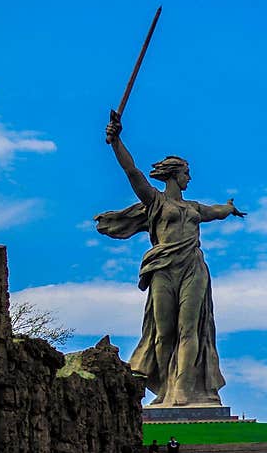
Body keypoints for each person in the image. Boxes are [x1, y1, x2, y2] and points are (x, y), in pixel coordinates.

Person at [96, 112, 245, 407]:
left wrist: (229, 208)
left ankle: (183, 390)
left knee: (189, 329)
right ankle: (165, 389)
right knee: (164, 334)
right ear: (174, 174)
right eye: (187, 172)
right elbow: (132, 172)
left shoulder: (194, 208)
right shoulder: (155, 201)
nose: (189, 177)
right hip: (163, 268)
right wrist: (116, 142)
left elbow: (216, 211)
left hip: (192, 267)